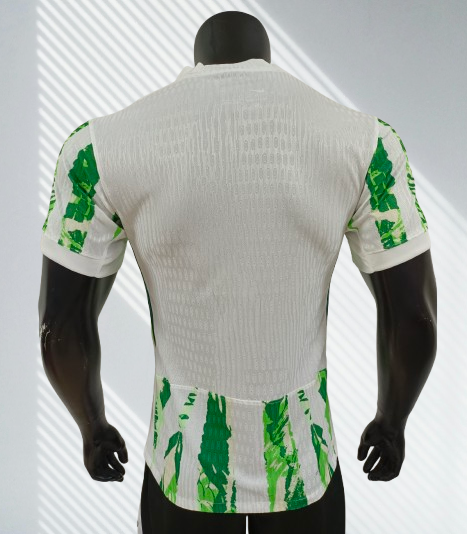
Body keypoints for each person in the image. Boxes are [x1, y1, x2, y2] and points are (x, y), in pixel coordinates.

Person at [38, 10, 437, 534]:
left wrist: (92, 427)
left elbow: (60, 327)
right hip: (304, 471)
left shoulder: (99, 151)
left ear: (198, 56)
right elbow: (414, 318)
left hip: (182, 476)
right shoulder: (366, 145)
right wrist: (392, 421)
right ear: (266, 54)